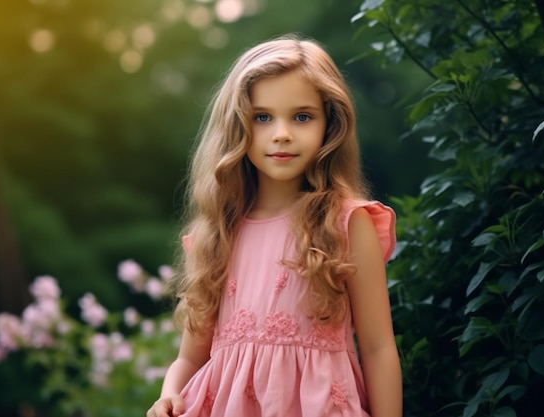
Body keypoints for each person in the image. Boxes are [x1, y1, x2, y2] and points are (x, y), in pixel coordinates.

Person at [147, 33, 402, 417]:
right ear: (237, 125)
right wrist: (168, 395)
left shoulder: (347, 223)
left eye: (302, 116)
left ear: (329, 124)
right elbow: (189, 359)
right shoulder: (217, 236)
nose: (281, 133)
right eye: (262, 117)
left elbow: (378, 348)